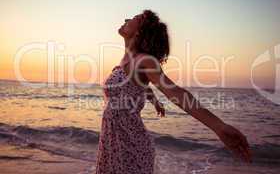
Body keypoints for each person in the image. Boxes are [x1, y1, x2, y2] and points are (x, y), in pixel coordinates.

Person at [96, 10, 252, 174]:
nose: (126, 19)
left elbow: (176, 92)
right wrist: (155, 102)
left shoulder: (145, 61)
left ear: (141, 31)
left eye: (134, 18)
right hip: (112, 142)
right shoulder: (124, 62)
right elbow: (137, 86)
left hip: (131, 145)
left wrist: (219, 126)